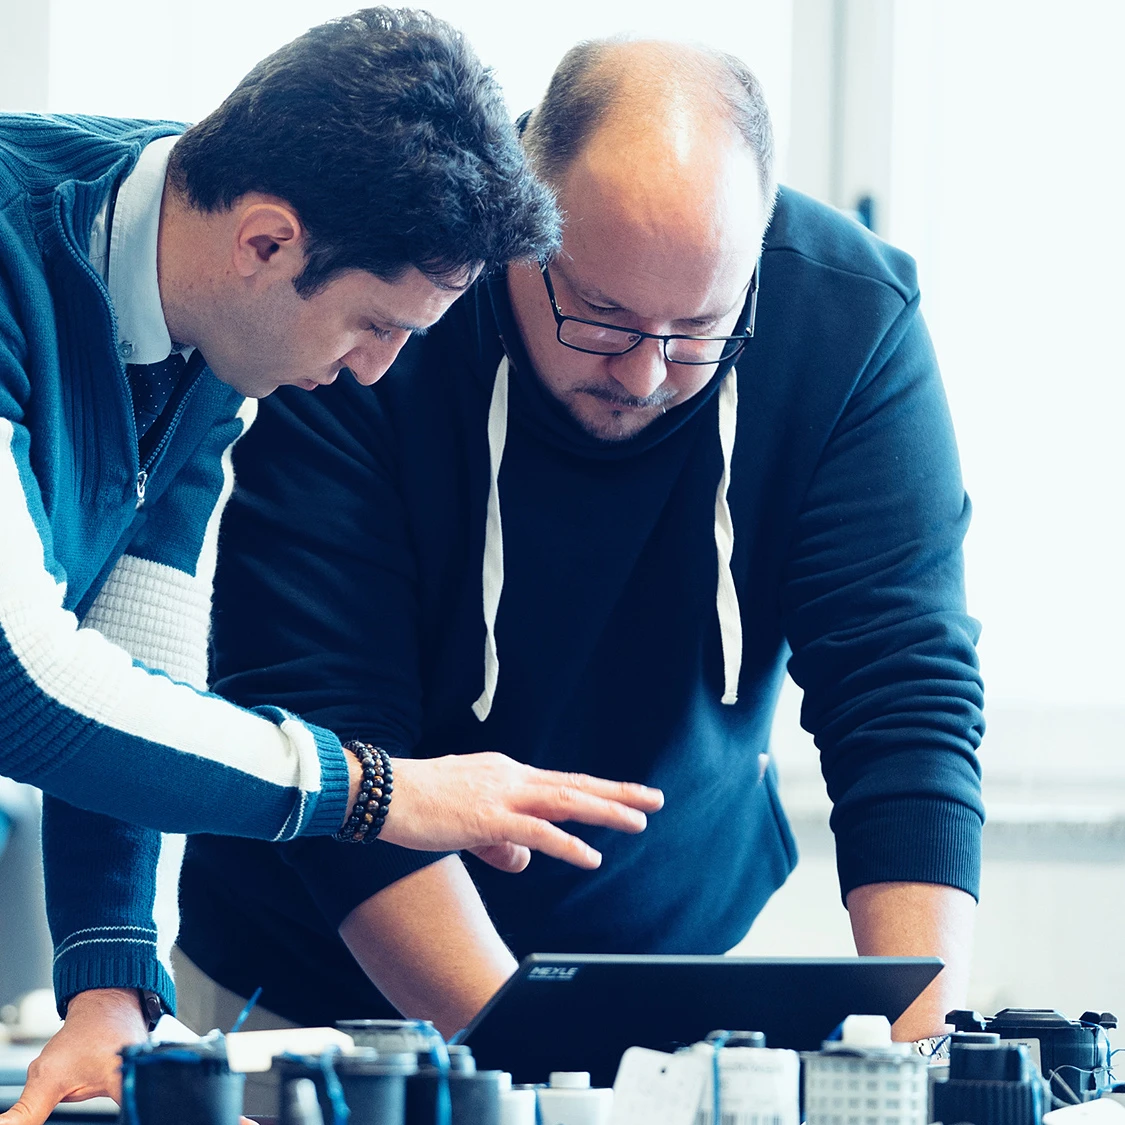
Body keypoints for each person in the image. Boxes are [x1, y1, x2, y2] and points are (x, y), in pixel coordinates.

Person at [178, 34, 985, 1063]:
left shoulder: (850, 321)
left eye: (698, 330)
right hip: (305, 990)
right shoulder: (384, 300)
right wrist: (532, 1052)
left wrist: (924, 1062)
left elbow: (902, 696)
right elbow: (321, 714)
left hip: (667, 979)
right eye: (601, 316)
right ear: (521, 222)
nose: (644, 376)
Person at [0, 14, 666, 1125]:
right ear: (266, 244)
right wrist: (379, 793)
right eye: (372, 324)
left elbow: (131, 650)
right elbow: (22, 681)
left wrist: (111, 988)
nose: (374, 372)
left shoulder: (205, 311)